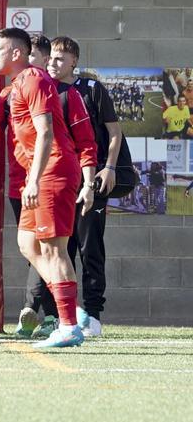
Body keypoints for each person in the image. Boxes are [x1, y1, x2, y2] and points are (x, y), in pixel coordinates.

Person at [0, 28, 91, 349]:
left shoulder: (35, 79)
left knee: (54, 249)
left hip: (53, 171)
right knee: (27, 244)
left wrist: (34, 179)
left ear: (15, 54)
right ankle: (71, 308)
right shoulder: (11, 89)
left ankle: (68, 324)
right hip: (39, 175)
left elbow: (46, 132)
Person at [47, 36, 125, 338]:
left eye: (61, 58)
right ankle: (62, 314)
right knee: (57, 247)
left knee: (89, 246)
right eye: (51, 57)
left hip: (90, 178)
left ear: (74, 62)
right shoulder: (44, 89)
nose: (54, 63)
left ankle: (93, 314)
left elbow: (114, 132)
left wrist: (108, 167)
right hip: (57, 181)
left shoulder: (91, 89)